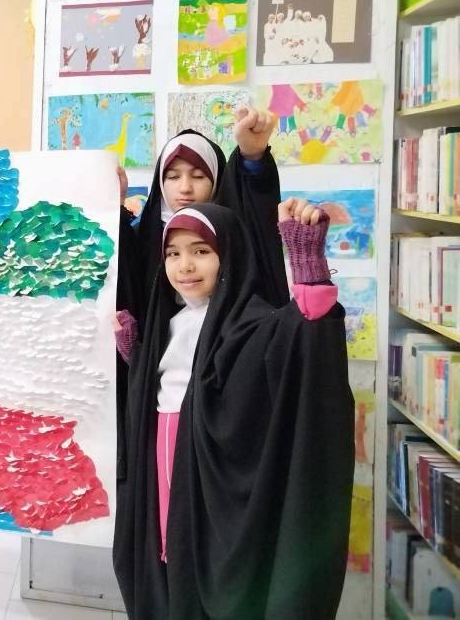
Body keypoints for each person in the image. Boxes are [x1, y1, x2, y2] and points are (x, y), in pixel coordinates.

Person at [112, 199, 354, 619]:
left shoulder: (251, 322)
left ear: (229, 254)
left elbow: (307, 337)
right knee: (166, 566)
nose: (185, 265)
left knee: (202, 572)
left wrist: (308, 266)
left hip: (212, 489)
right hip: (162, 473)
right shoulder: (168, 322)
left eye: (201, 251)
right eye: (173, 253)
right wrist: (137, 358)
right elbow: (162, 392)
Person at [114, 108, 287, 481]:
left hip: (223, 402)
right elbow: (120, 278)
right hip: (160, 401)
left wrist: (252, 157)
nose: (185, 189)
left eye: (198, 175)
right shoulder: (143, 238)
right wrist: (110, 204)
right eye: (172, 176)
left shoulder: (232, 234)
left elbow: (257, 212)